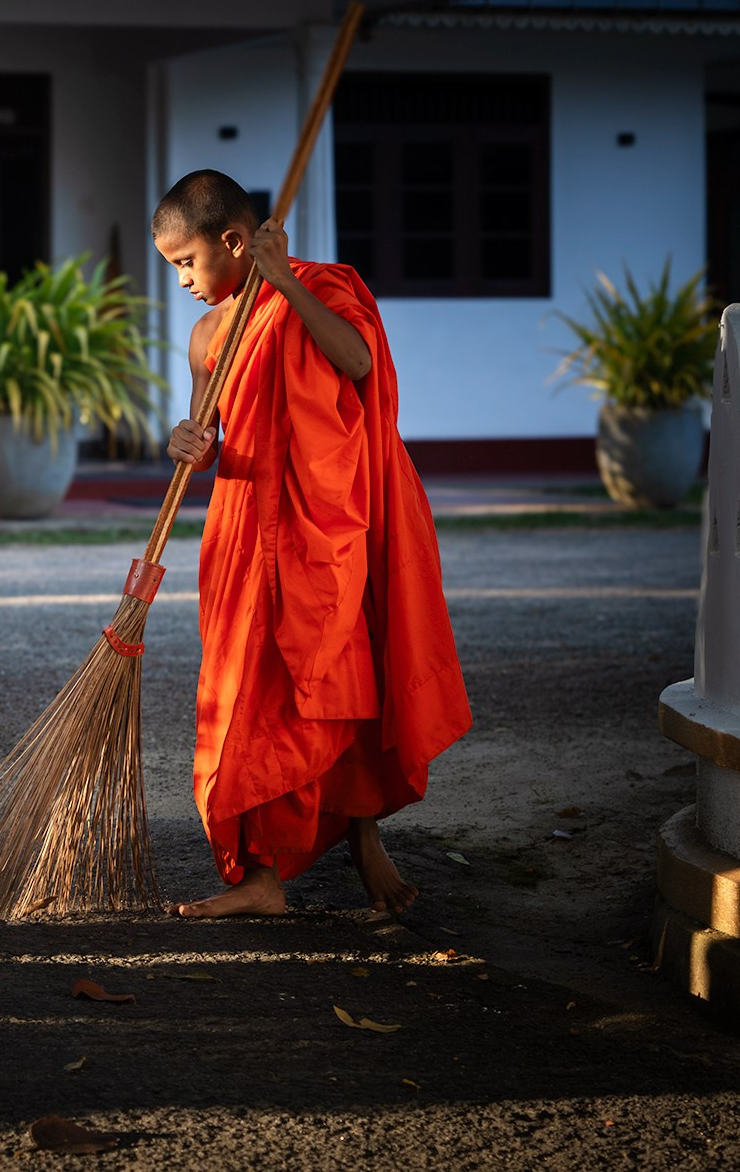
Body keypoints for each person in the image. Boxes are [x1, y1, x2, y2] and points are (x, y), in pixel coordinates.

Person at [153, 170, 470, 918]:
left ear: (234, 240)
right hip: (244, 524)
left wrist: (281, 282)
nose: (184, 283)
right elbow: (211, 430)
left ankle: (363, 836)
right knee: (249, 694)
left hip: (325, 521)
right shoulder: (208, 335)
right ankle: (260, 878)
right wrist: (187, 441)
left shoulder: (324, 288)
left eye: (187, 263)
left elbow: (357, 363)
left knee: (335, 675)